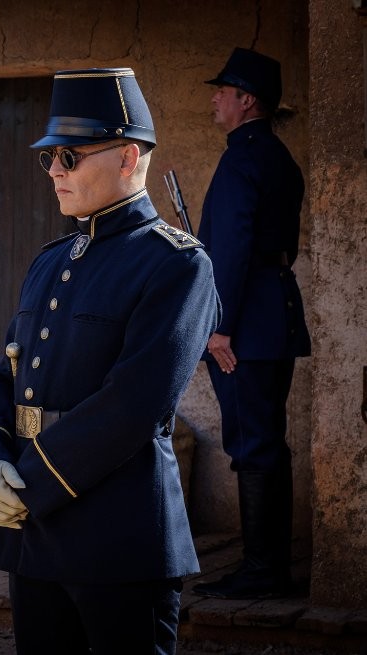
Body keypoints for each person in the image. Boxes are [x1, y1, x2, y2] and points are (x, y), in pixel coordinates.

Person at [0, 68, 219, 653]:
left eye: (70, 156)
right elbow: (4, 373)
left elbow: (133, 405)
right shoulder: (51, 260)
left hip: (118, 537)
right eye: (50, 157)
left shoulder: (177, 265)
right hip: (34, 537)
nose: (54, 170)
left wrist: (28, 483)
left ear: (128, 157)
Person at [193, 48, 311, 600]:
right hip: (274, 314)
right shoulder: (278, 157)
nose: (215, 98)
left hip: (244, 325)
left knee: (253, 442)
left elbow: (233, 249)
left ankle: (264, 571)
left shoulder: (241, 159)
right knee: (265, 440)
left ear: (248, 101)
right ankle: (268, 566)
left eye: (225, 90)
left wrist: (219, 325)